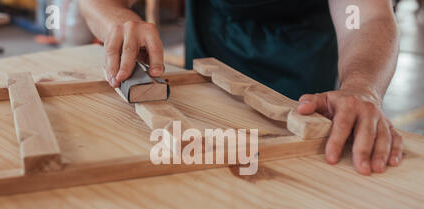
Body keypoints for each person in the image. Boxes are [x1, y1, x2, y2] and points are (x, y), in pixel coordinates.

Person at [80, 0, 403, 175]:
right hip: (205, 84)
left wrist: (362, 88)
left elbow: (368, 16)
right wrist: (117, 21)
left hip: (302, 77)